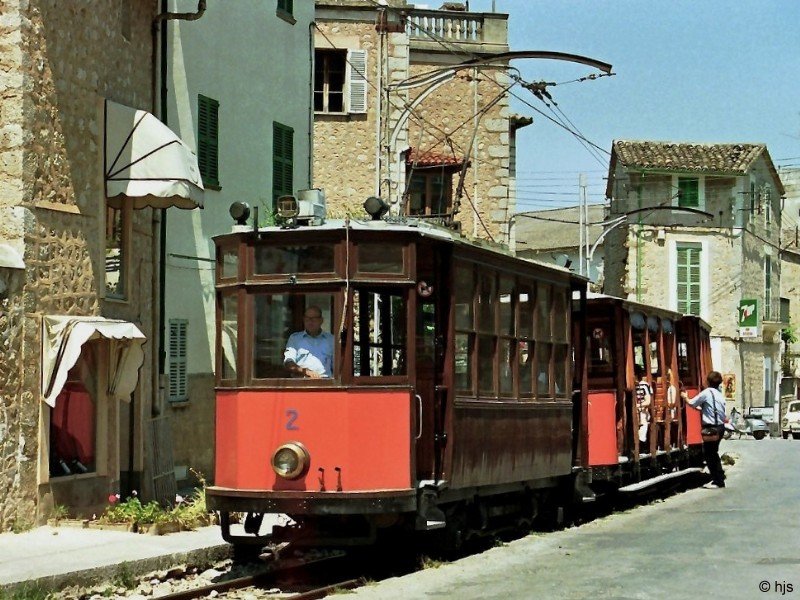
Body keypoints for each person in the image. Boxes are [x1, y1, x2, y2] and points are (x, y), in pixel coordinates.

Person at [681, 370, 727, 489]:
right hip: (720, 427)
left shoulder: (706, 393)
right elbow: (712, 409)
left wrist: (685, 397)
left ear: (708, 381)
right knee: (713, 453)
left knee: (710, 454)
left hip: (711, 428)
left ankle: (718, 481)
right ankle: (719, 476)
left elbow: (692, 403)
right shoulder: (719, 394)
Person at [284, 306, 334, 378]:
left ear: (321, 320)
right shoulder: (295, 338)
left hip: (325, 382)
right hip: (302, 383)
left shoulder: (331, 340)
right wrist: (305, 371)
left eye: (314, 319)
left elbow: (338, 367)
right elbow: (288, 362)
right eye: (307, 319)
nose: (310, 322)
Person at [635, 364, 652, 448]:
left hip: (642, 410)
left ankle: (641, 442)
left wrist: (638, 406)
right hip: (633, 410)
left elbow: (648, 401)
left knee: (642, 417)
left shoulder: (644, 385)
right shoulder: (631, 386)